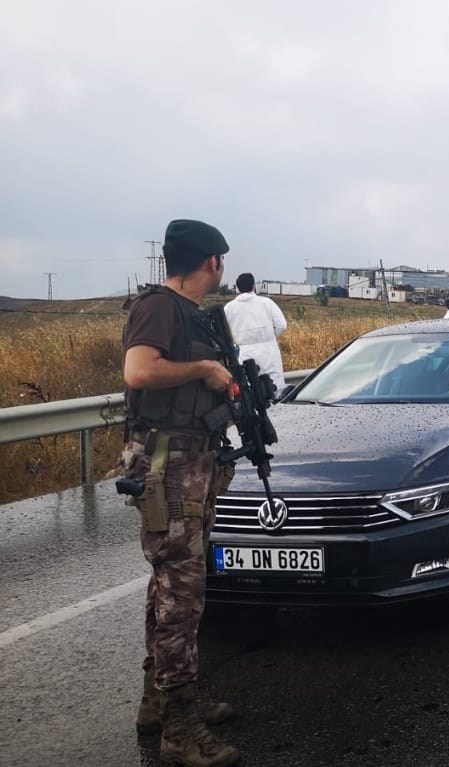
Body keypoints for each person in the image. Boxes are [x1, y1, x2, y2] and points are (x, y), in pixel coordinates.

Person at [117, 219, 240, 766]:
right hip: (168, 463)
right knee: (182, 596)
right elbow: (140, 371)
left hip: (191, 460)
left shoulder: (191, 313)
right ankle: (180, 728)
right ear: (212, 261)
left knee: (167, 585)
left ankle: (159, 701)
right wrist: (205, 369)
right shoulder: (159, 306)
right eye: (222, 261)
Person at [223, 272, 288, 392]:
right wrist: (269, 337)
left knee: (250, 391)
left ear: (238, 288)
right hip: (269, 351)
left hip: (245, 353)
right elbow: (282, 325)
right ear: (254, 286)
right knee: (276, 389)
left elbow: (222, 332)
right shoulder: (266, 303)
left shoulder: (229, 308)